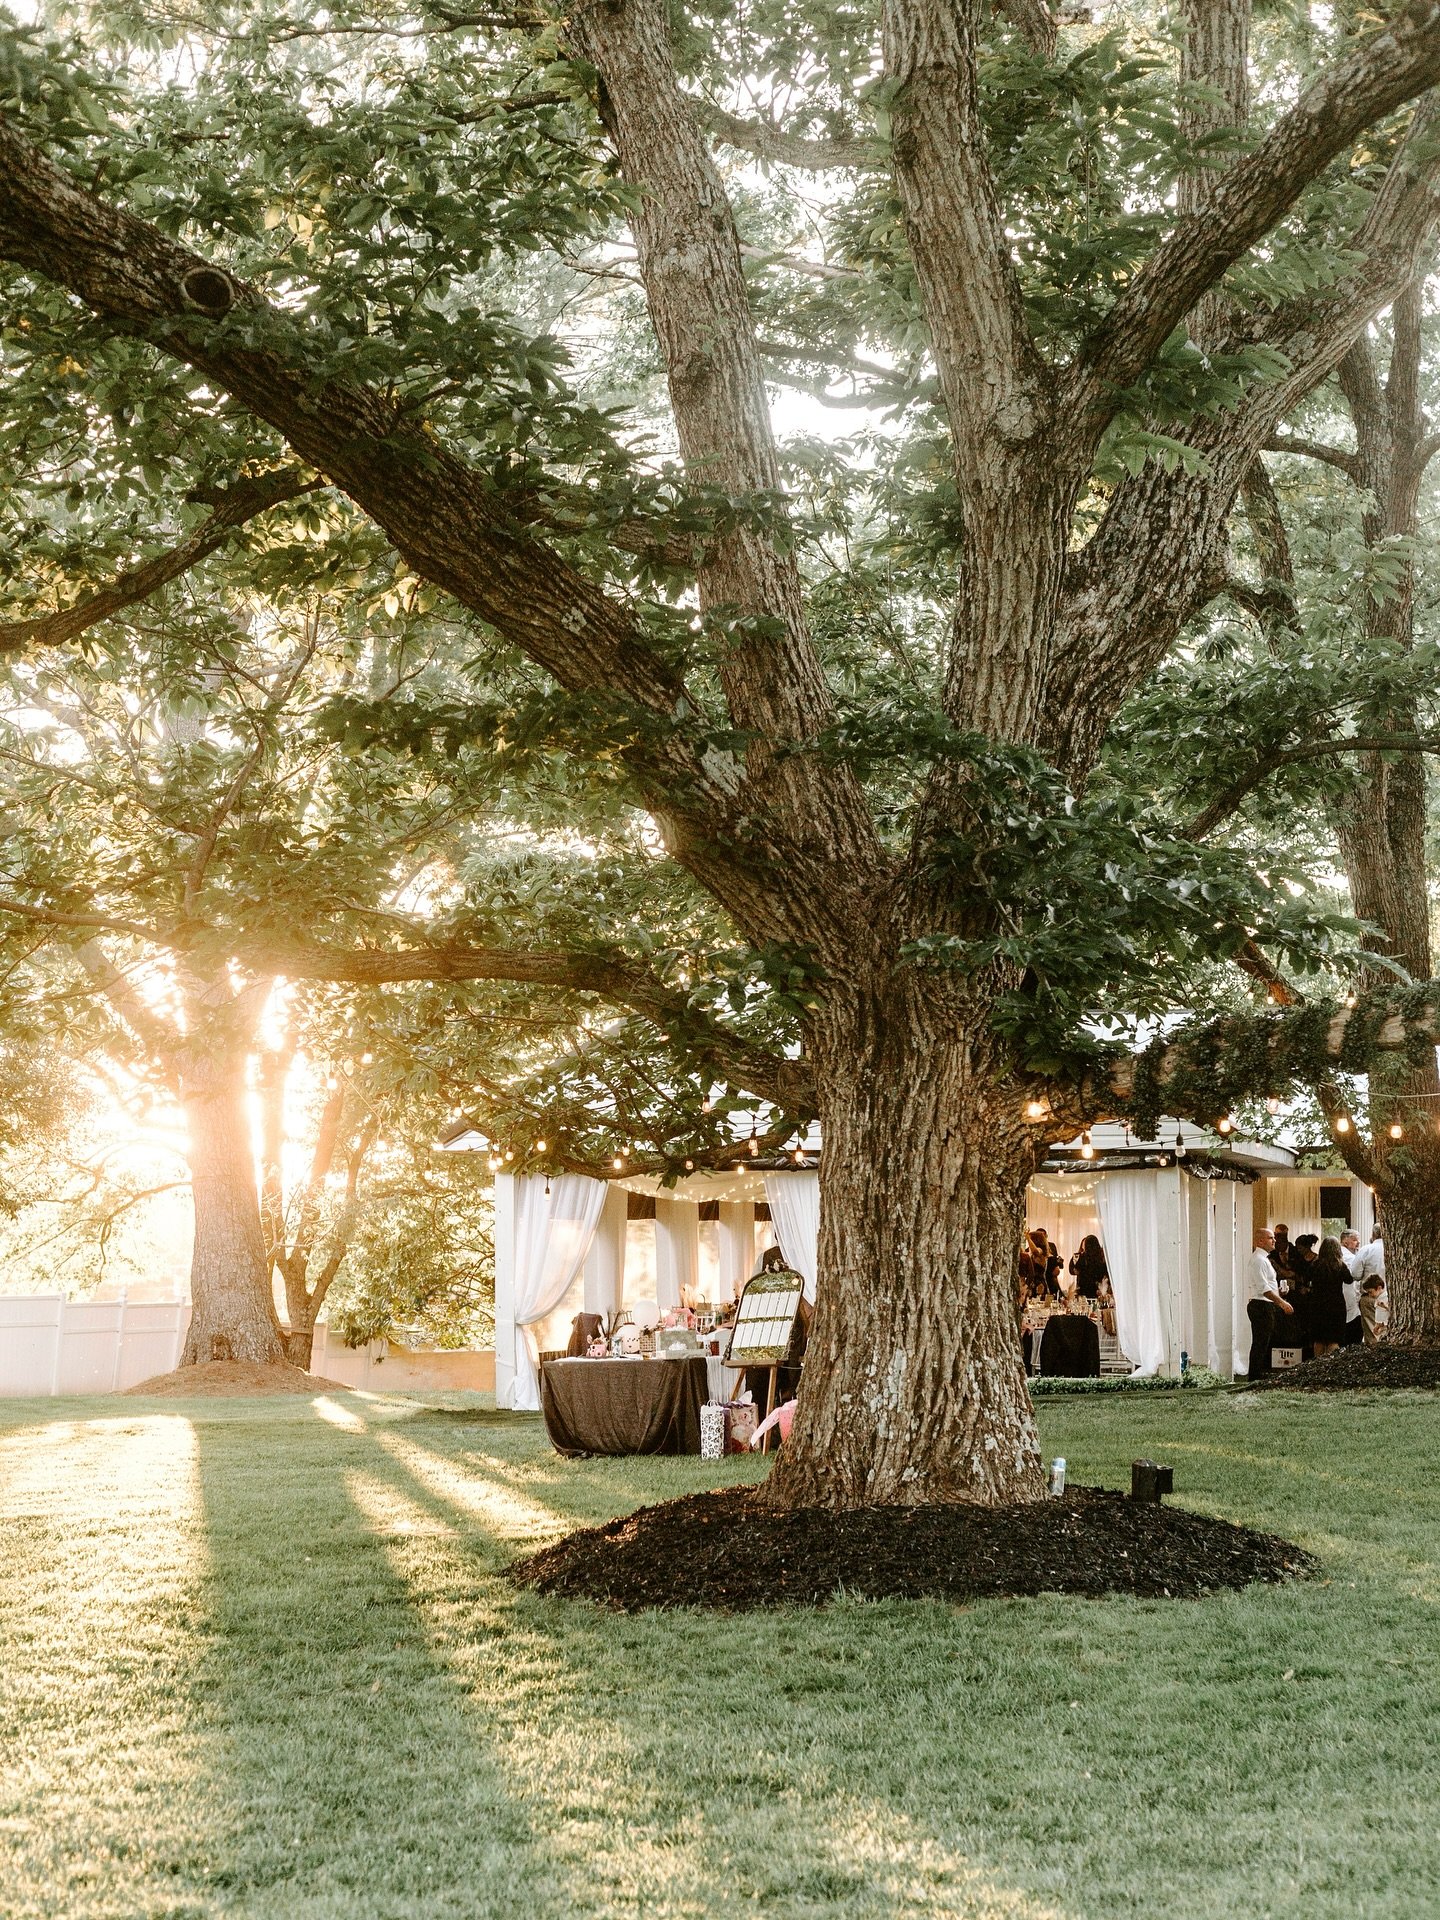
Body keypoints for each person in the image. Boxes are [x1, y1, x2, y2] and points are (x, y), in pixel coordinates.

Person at [1246, 1227, 1294, 1378]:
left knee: (1265, 1342)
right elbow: (1264, 1288)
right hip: (1261, 1305)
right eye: (1270, 1238)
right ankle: (1255, 1376)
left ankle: (1259, 1374)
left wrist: (1280, 1293)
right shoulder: (1258, 1260)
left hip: (1266, 1304)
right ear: (1260, 1241)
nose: (1274, 1241)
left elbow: (1268, 1286)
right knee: (1260, 1343)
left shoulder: (1263, 1259)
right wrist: (1282, 1303)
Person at [1307, 1237, 1349, 1357]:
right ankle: (1331, 1367)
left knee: (1319, 1338)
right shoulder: (1340, 1266)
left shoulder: (1315, 1265)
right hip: (1336, 1304)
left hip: (1317, 1304)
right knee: (1334, 1339)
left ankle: (1317, 1366)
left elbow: (1306, 1278)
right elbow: (1349, 1280)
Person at [1339, 1231, 1365, 1345]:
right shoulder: (1350, 1258)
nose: (1358, 1242)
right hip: (1349, 1298)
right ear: (1345, 1242)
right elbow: (1356, 1282)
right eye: (1354, 1240)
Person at [1069, 1234, 1109, 1300]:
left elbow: (1073, 1270)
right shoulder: (1101, 1258)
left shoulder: (1080, 1257)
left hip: (1083, 1289)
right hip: (1098, 1289)